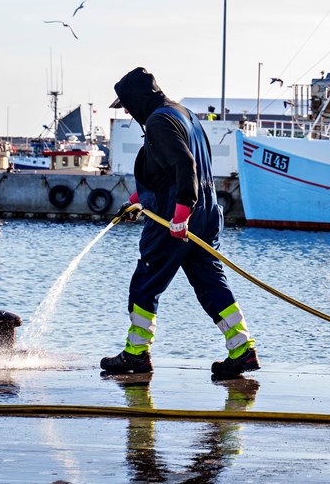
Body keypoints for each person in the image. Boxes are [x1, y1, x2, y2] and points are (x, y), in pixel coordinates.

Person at [102, 67, 260, 379]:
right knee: (209, 283)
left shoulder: (159, 121)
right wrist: (138, 198)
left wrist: (179, 215)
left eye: (127, 106)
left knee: (146, 282)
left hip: (174, 220)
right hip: (206, 214)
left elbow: (184, 165)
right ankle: (242, 348)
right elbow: (171, 168)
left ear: (136, 100)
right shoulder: (182, 113)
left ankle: (136, 353)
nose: (129, 113)